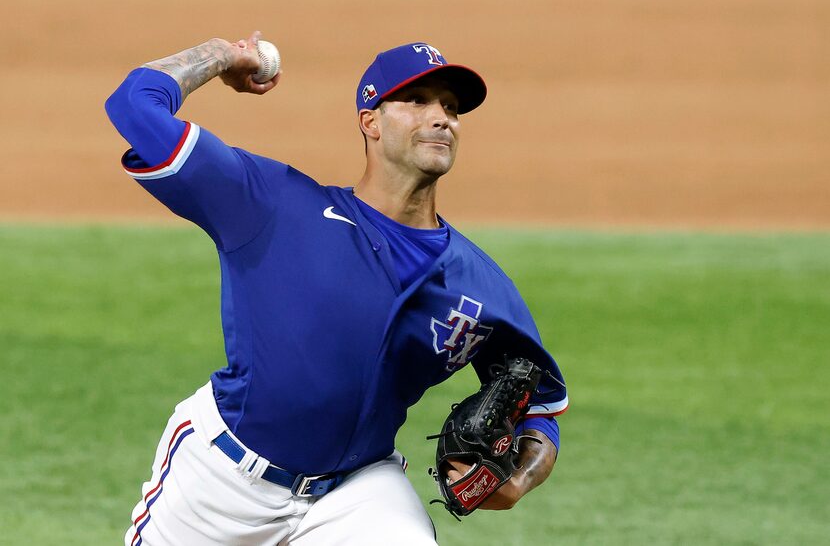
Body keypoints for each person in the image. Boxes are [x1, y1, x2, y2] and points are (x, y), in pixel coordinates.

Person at [105, 31, 568, 546]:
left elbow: (540, 405)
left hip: (358, 491)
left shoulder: (480, 285)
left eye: (451, 107)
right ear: (369, 120)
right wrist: (221, 56)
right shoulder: (272, 205)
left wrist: (520, 477)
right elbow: (134, 104)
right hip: (222, 480)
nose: (441, 117)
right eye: (416, 100)